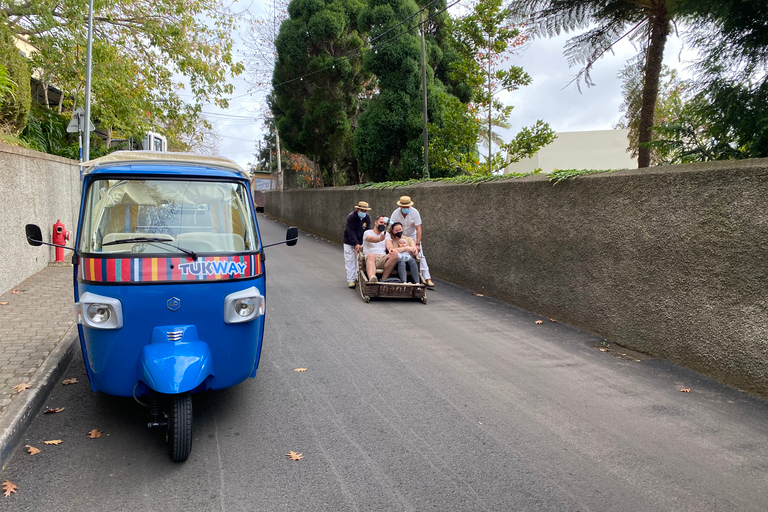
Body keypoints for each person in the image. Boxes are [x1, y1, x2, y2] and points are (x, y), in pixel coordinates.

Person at [390, 196, 434, 287]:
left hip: (411, 237)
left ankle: (427, 278)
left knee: (420, 255)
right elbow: (391, 227)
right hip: (399, 236)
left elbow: (418, 229)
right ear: (400, 206)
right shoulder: (395, 214)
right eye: (404, 207)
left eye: (407, 207)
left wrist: (417, 243)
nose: (406, 209)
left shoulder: (415, 212)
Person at [343, 201, 372, 288]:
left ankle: (358, 276)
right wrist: (355, 243)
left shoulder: (367, 218)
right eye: (362, 210)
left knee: (360, 260)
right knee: (350, 260)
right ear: (358, 209)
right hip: (349, 241)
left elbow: (367, 231)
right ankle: (351, 279)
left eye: (365, 211)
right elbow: (350, 231)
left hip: (361, 241)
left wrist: (363, 243)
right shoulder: (351, 217)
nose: (363, 212)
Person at [362, 215, 398, 283]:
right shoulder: (367, 232)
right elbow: (370, 239)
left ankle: (383, 280)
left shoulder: (386, 234)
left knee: (395, 254)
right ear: (376, 222)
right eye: (381, 222)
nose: (383, 224)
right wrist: (379, 239)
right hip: (370, 258)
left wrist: (391, 249)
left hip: (382, 257)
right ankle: (372, 279)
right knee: (371, 255)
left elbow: (388, 243)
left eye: (385, 223)